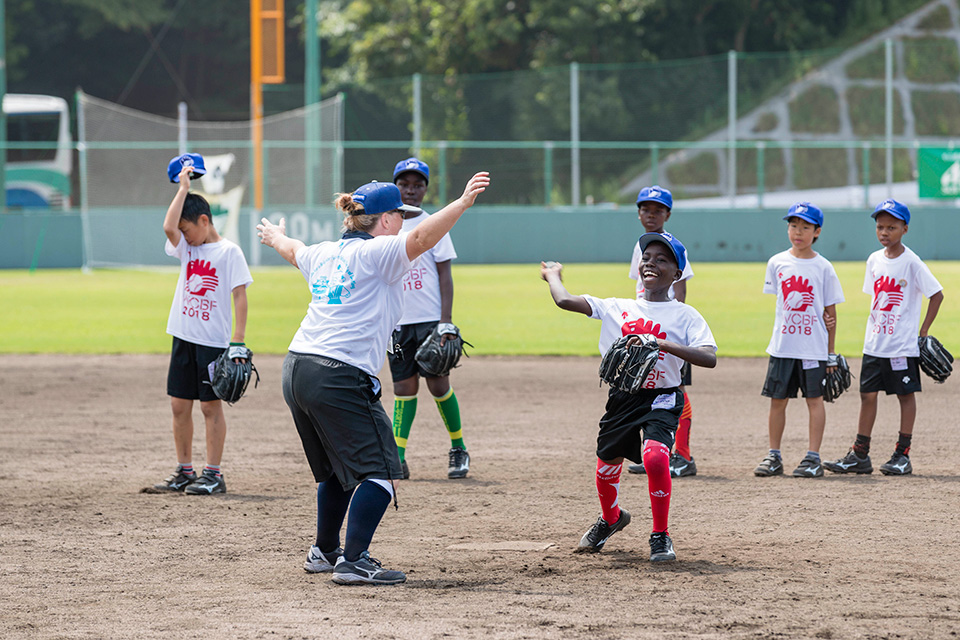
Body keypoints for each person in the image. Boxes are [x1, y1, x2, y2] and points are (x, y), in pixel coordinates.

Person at [256, 172, 490, 585]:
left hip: (297, 368)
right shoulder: (379, 252)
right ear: (383, 220)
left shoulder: (325, 252)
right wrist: (462, 204)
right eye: (400, 214)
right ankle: (354, 560)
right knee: (382, 470)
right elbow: (421, 242)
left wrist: (274, 235)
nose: (405, 221)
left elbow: (292, 249)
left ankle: (325, 551)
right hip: (337, 374)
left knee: (335, 470)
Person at [540, 231, 717, 562]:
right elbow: (565, 300)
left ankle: (660, 535)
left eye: (661, 259)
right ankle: (610, 518)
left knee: (655, 458)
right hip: (622, 397)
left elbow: (708, 356)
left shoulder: (685, 315)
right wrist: (553, 276)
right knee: (608, 463)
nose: (650, 263)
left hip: (662, 397)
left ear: (677, 273)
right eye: (646, 258)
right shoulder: (616, 308)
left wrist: (660, 343)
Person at [823, 199, 943, 476]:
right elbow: (876, 301)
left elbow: (936, 294)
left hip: (901, 345)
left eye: (892, 227)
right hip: (875, 342)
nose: (885, 232)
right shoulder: (874, 260)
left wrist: (923, 332)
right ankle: (860, 455)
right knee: (867, 395)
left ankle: (902, 454)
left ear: (905, 228)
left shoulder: (911, 262)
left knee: (905, 395)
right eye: (880, 227)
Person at [154, 164, 253, 495]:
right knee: (179, 405)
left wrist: (237, 341)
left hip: (212, 341)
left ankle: (213, 474)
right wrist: (183, 188)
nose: (182, 236)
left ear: (204, 221)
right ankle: (184, 471)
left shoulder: (229, 252)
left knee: (211, 406)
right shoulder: (187, 247)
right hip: (182, 336)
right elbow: (168, 226)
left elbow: (240, 296)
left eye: (188, 230)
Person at [389, 157, 469, 480]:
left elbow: (444, 275)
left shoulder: (435, 222)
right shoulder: (386, 225)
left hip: (429, 321)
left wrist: (445, 322)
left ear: (425, 188)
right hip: (397, 321)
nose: (411, 190)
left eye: (417, 184)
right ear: (395, 187)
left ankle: (458, 449)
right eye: (404, 184)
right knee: (403, 387)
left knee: (438, 384)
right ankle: (397, 456)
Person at [754, 202, 843, 479]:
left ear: (817, 232)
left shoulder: (824, 267)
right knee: (777, 401)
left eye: (805, 227)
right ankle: (774, 455)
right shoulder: (777, 262)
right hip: (783, 346)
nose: (798, 232)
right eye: (793, 225)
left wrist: (830, 354)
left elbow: (831, 313)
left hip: (813, 349)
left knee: (814, 401)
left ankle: (813, 457)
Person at [624, 186, 697, 478]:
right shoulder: (640, 246)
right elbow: (639, 290)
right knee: (648, 389)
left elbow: (680, 292)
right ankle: (657, 452)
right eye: (645, 209)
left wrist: (671, 332)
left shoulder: (671, 246)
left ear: (667, 214)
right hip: (645, 328)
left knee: (674, 391)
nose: (650, 215)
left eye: (657, 210)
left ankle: (683, 456)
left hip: (667, 332)